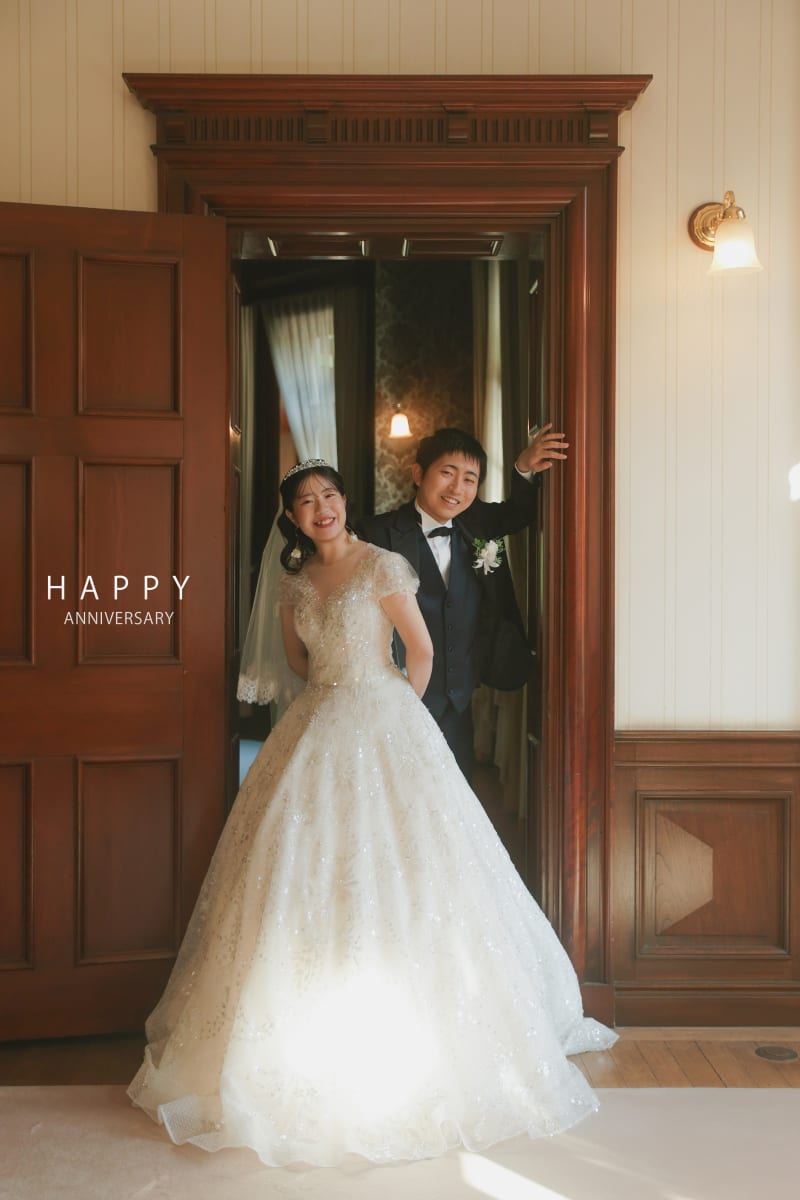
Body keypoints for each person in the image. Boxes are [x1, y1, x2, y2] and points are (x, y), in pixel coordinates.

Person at [128, 459, 616, 1169]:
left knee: (413, 861)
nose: (320, 507)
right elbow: (298, 662)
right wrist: (340, 696)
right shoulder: (296, 582)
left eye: (328, 495)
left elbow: (420, 651)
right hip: (318, 719)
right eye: (305, 501)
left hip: (385, 716)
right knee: (299, 859)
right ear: (291, 518)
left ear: (344, 501)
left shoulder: (382, 564)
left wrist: (395, 717)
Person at [358, 424, 567, 779]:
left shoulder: (478, 525)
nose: (457, 488)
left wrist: (524, 466)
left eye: (470, 479)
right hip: (396, 701)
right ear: (418, 474)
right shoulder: (376, 534)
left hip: (458, 702)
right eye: (447, 473)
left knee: (456, 794)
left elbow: (520, 511)